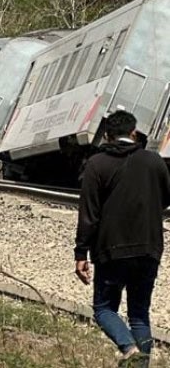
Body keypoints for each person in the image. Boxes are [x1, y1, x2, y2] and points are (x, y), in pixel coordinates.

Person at [74, 110, 170, 367]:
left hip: (110, 250)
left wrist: (80, 254)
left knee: (104, 309)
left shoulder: (96, 164)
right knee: (139, 314)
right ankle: (140, 364)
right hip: (149, 248)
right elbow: (165, 199)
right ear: (134, 133)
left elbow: (89, 215)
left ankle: (128, 349)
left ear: (106, 136)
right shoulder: (155, 162)